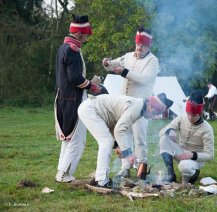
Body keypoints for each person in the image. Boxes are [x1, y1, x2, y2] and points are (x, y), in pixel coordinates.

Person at [78, 93, 173, 188]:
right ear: (149, 104)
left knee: (108, 141)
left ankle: (100, 178)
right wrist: (128, 154)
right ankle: (102, 181)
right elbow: (119, 130)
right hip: (90, 110)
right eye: (155, 112)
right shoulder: (137, 107)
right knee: (106, 141)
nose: (154, 115)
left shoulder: (139, 108)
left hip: (93, 110)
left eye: (158, 114)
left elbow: (113, 123)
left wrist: (117, 146)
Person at [54, 15, 107, 183]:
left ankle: (61, 172)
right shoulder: (72, 49)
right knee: (77, 140)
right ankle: (65, 174)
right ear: (78, 34)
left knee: (68, 138)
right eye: (85, 36)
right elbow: (75, 78)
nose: (86, 39)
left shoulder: (64, 47)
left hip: (64, 98)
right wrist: (94, 87)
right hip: (73, 99)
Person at [102, 26, 159, 178]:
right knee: (123, 136)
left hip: (142, 106)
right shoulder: (128, 56)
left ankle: (141, 168)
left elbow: (145, 79)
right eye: (138, 44)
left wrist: (125, 72)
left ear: (149, 46)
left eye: (143, 45)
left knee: (139, 138)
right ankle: (125, 167)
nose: (139, 48)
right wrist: (107, 63)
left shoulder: (153, 61)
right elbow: (112, 65)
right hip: (125, 105)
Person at [159, 90, 214, 184]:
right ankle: (170, 174)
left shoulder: (207, 129)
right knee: (164, 138)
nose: (190, 118)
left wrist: (192, 155)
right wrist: (170, 130)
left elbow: (210, 156)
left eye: (194, 115)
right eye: (188, 114)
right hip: (181, 152)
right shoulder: (181, 118)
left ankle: (194, 172)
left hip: (195, 158)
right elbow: (162, 131)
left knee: (184, 166)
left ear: (200, 113)